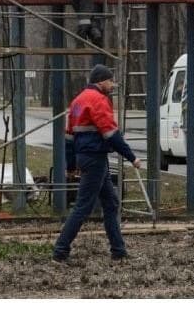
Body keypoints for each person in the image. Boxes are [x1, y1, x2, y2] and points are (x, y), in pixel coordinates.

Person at [53, 64, 142, 262]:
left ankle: (118, 251)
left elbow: (69, 138)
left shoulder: (78, 101)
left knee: (111, 203)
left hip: (87, 158)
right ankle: (60, 251)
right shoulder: (99, 100)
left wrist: (70, 165)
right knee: (83, 207)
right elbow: (111, 134)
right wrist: (132, 157)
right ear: (101, 81)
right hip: (95, 159)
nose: (113, 84)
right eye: (110, 80)